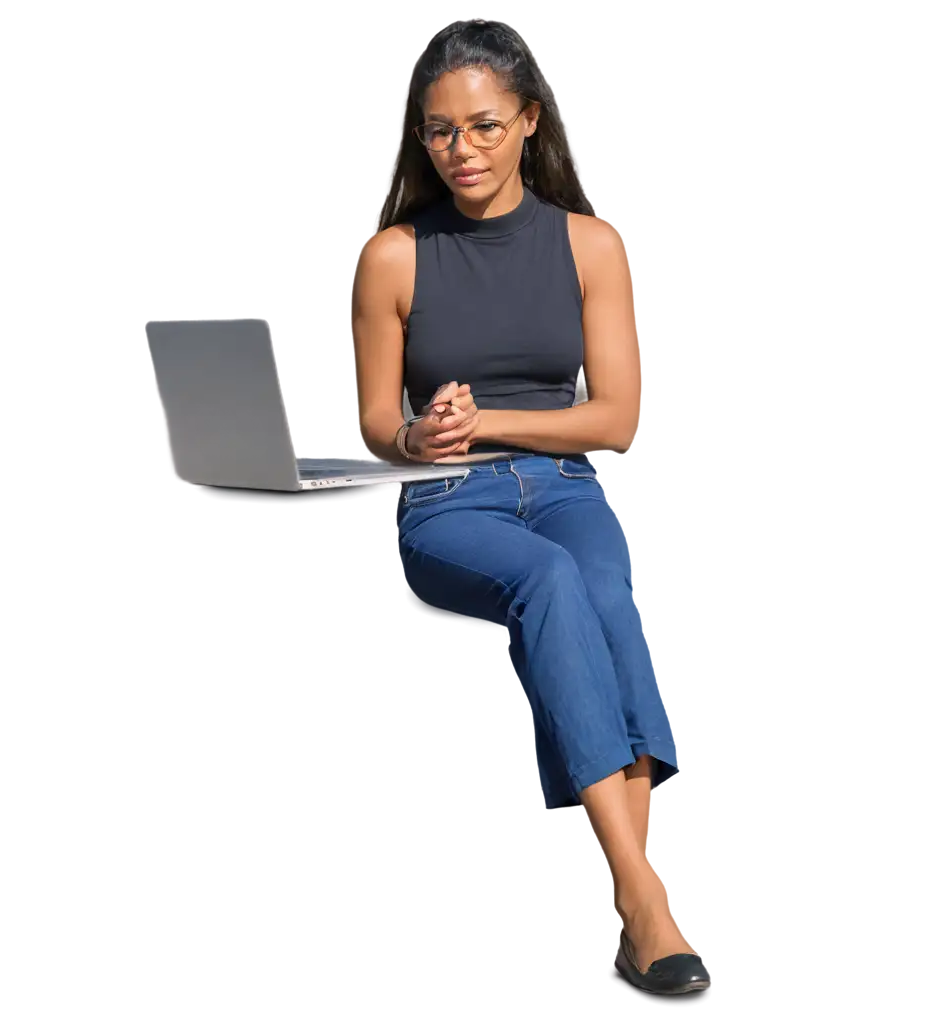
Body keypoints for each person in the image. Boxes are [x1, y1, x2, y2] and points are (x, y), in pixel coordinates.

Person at [351, 17, 711, 999]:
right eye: (439, 131)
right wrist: (415, 438)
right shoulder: (393, 255)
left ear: (526, 123)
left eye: (481, 126)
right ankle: (645, 903)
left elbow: (618, 421)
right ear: (421, 139)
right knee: (554, 580)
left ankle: (637, 904)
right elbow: (379, 414)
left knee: (604, 582)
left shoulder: (588, 246)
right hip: (448, 501)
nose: (460, 150)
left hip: (563, 488)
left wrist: (491, 416)